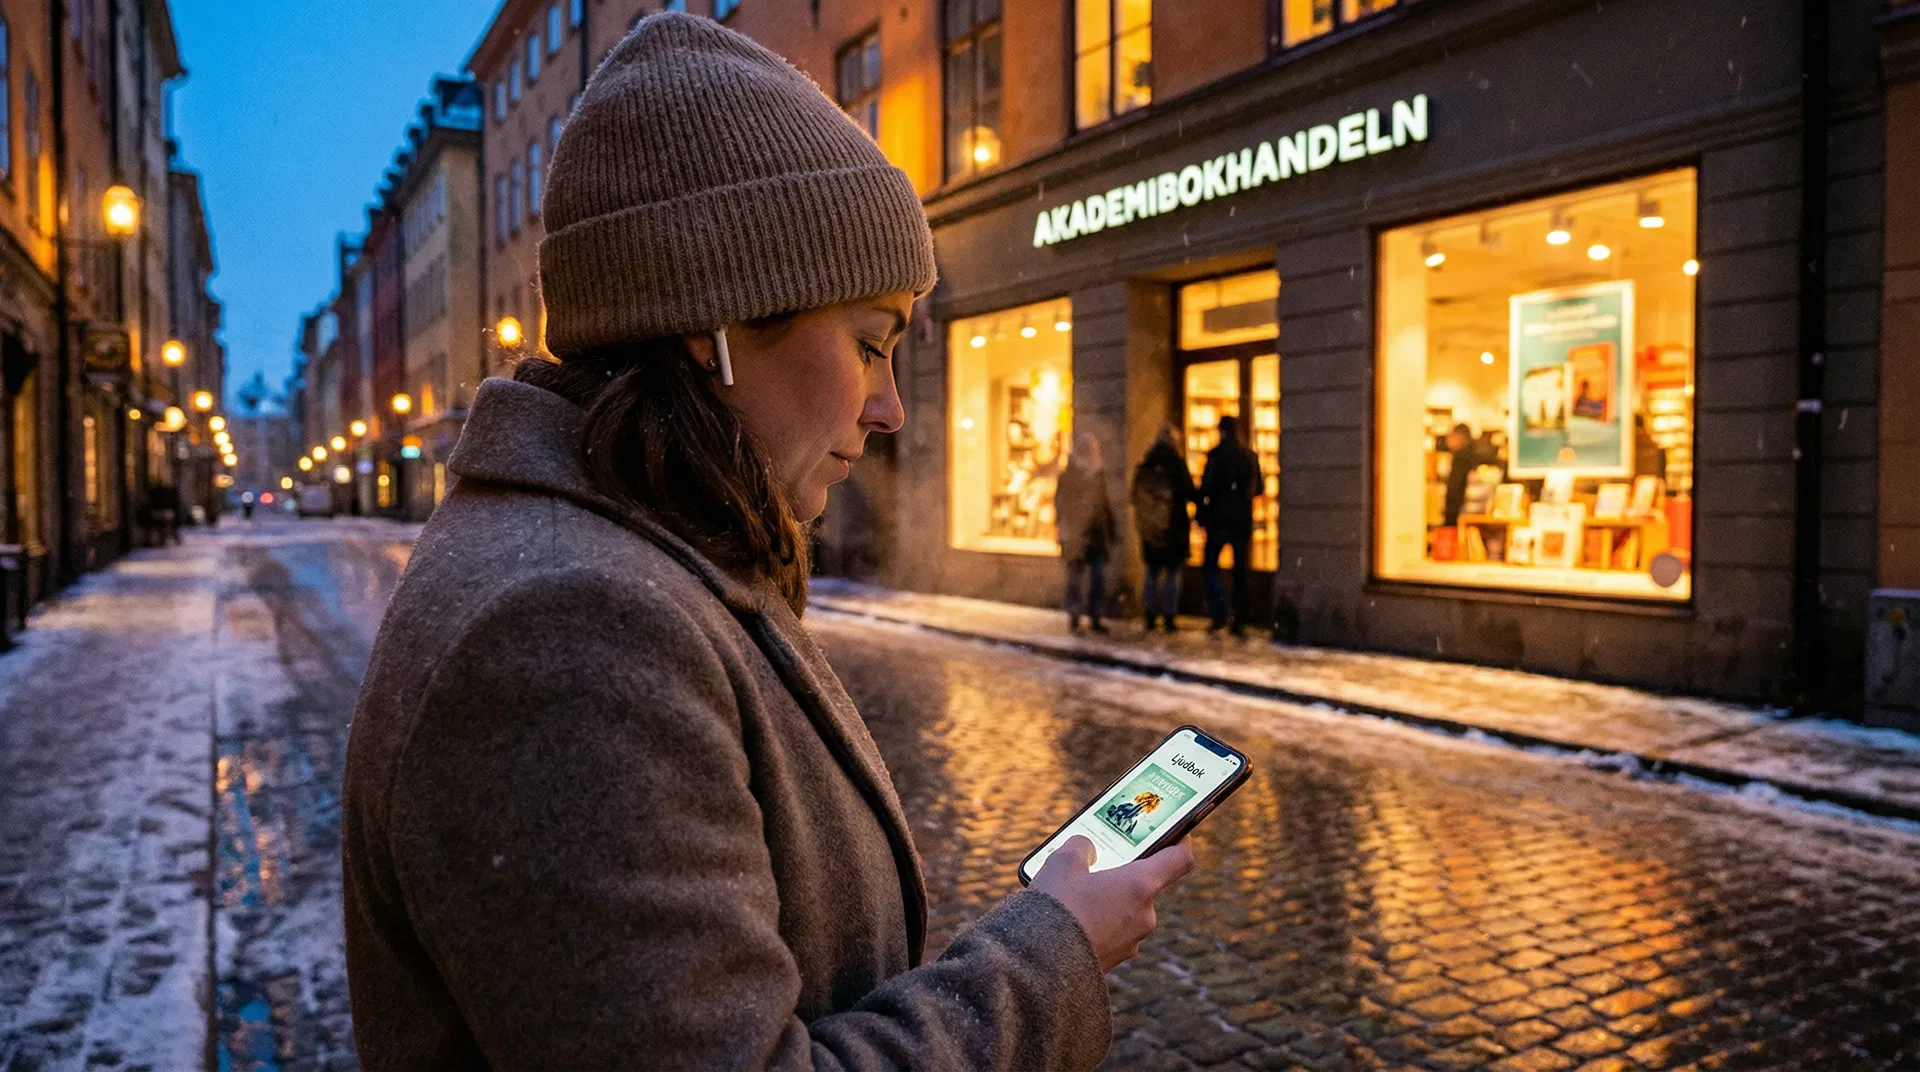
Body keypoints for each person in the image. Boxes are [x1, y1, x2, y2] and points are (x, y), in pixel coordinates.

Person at [341, 15, 1191, 1071]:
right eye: (870, 344)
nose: (890, 408)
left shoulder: (649, 556)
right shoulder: (565, 629)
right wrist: (1049, 957)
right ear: (719, 328)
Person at [1197, 414, 1262, 636]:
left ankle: (1219, 613)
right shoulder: (1249, 457)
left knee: (1210, 566)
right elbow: (1259, 488)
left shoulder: (1216, 456)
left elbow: (1205, 487)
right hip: (1241, 520)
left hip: (1218, 519)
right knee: (1240, 570)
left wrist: (1203, 511)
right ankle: (1239, 618)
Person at [1130, 423, 1196, 632]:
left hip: (1151, 527)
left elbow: (1134, 496)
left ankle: (1149, 614)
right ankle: (1169, 616)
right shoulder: (1176, 464)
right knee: (1172, 573)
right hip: (1173, 526)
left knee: (1152, 571)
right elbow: (1189, 491)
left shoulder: (1146, 464)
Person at [1054, 431, 1117, 633]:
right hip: (1077, 534)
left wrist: (1111, 529)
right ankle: (1076, 615)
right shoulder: (1070, 475)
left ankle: (1094, 616)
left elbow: (1105, 505)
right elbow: (1062, 505)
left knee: (1096, 578)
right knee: (1077, 578)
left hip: (1095, 534)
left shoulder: (1098, 475)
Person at [1441, 422, 1502, 527]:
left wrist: (1449, 518)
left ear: (1458, 437)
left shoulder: (1460, 457)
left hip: (1463, 515)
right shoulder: (1484, 455)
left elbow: (1455, 489)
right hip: (1485, 514)